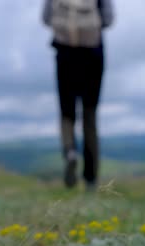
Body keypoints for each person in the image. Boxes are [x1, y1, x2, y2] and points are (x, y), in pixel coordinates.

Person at [42, 0, 114, 190]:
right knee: (90, 114)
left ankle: (70, 151)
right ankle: (90, 179)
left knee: (67, 112)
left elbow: (46, 18)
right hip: (93, 51)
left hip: (65, 51)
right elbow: (108, 19)